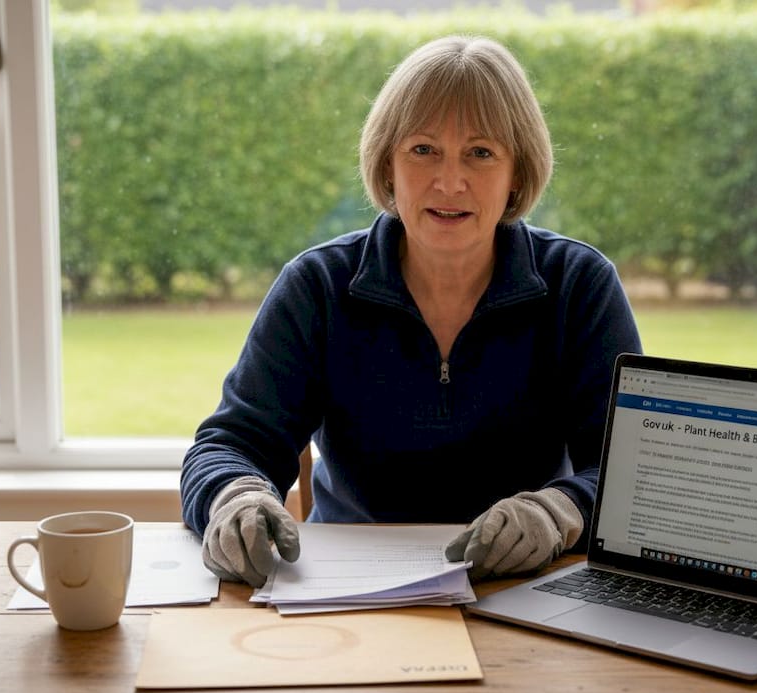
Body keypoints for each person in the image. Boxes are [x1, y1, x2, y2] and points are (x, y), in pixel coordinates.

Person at [180, 35, 642, 587]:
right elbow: (230, 444)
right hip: (341, 587)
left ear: (518, 172)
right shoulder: (318, 286)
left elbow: (627, 470)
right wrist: (236, 498)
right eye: (423, 150)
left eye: (481, 152)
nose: (450, 181)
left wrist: (556, 512)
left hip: (526, 590)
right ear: (387, 166)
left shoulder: (580, 286)